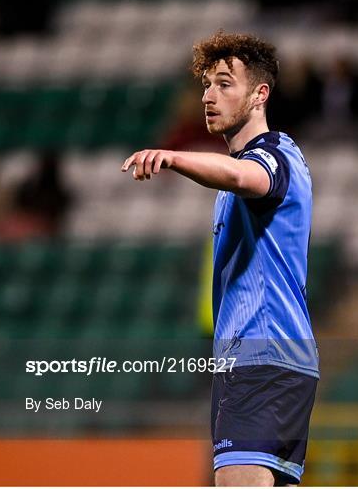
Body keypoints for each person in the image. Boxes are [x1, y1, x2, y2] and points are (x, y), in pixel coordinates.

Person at [121, 31, 319, 487]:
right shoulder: (251, 166)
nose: (209, 96)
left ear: (259, 95)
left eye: (225, 83)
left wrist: (174, 157)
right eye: (207, 84)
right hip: (261, 359)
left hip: (262, 355)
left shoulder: (274, 155)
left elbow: (244, 176)